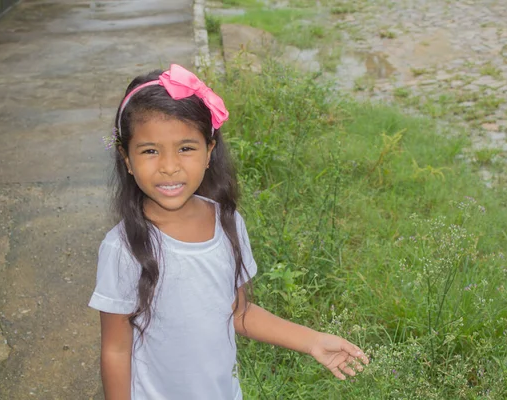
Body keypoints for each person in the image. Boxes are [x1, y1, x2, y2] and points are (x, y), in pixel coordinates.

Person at [89, 64, 369, 400]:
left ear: (209, 151)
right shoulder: (123, 248)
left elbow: (238, 312)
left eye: (186, 148)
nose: (169, 166)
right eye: (150, 150)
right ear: (127, 158)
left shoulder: (227, 222)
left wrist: (312, 341)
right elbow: (116, 352)